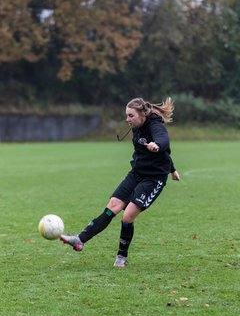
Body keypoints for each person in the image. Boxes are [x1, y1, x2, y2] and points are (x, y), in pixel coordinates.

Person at [60, 97, 180, 267]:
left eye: (131, 115)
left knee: (127, 216)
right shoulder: (137, 127)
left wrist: (157, 145)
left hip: (153, 179)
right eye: (127, 115)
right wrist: (173, 169)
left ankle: (121, 257)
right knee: (113, 206)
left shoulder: (155, 125)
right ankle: (80, 240)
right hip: (136, 173)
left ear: (143, 114)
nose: (127, 119)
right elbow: (166, 154)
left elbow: (163, 141)